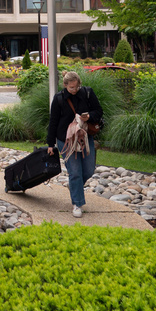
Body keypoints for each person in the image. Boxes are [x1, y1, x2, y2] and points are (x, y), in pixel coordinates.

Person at [47, 70, 103, 218]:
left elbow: (99, 111)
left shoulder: (87, 93)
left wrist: (89, 116)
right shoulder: (59, 99)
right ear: (65, 85)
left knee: (89, 170)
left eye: (76, 87)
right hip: (65, 140)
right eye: (71, 87)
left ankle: (74, 186)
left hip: (84, 137)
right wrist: (50, 144)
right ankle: (77, 204)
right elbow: (53, 123)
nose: (74, 90)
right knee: (76, 172)